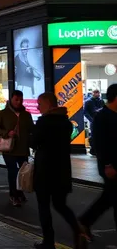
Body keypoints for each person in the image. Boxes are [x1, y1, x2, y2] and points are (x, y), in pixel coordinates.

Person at [31, 92, 83, 249]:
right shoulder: (66, 123)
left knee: (44, 206)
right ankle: (78, 230)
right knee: (60, 205)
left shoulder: (43, 122)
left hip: (45, 171)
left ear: (48, 104)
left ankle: (48, 241)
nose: (38, 107)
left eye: (40, 104)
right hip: (61, 171)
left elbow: (33, 142)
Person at [79, 83, 117, 242]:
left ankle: (85, 221)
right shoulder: (102, 116)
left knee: (110, 198)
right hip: (110, 166)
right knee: (110, 197)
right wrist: (108, 164)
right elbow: (99, 143)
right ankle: (84, 221)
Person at [0, 90, 33, 206]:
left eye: (21, 100)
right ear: (11, 99)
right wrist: (6, 133)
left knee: (23, 172)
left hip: (23, 148)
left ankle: (20, 192)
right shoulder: (3, 114)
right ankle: (13, 194)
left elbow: (31, 130)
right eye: (16, 100)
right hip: (9, 148)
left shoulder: (26, 115)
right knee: (13, 171)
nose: (19, 102)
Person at [84, 89, 104, 155]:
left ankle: (98, 150)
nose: (97, 94)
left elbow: (104, 109)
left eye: (98, 93)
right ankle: (93, 150)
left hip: (100, 120)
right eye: (95, 93)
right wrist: (91, 120)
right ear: (92, 93)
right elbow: (85, 112)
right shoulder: (88, 101)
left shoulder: (101, 101)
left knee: (100, 135)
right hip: (92, 120)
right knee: (93, 135)